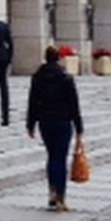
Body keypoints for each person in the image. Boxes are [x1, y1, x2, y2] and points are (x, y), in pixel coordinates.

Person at [26, 45, 84, 211]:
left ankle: (52, 191)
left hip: (45, 121)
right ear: (59, 58)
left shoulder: (38, 77)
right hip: (63, 122)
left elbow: (32, 102)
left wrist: (30, 124)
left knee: (52, 157)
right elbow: (74, 106)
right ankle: (61, 198)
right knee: (61, 158)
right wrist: (79, 129)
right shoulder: (66, 78)